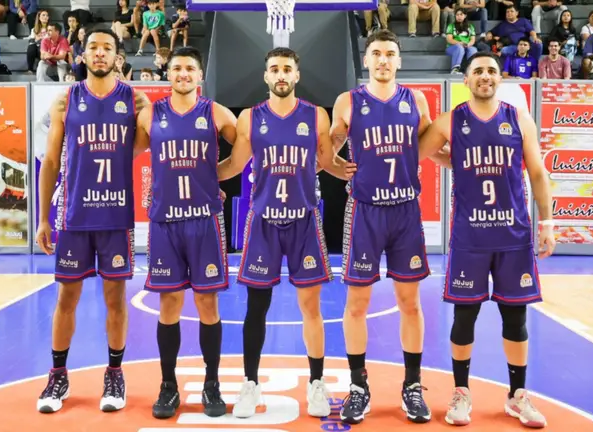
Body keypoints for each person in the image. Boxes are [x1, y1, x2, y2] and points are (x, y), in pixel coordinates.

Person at [217, 47, 356, 419]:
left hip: (303, 221)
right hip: (263, 221)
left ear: (297, 75)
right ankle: (250, 383)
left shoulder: (315, 116)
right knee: (256, 308)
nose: (281, 75)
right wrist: (195, 177)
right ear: (266, 76)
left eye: (287, 69)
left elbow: (329, 162)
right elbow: (234, 165)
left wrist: (364, 170)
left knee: (311, 307)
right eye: (275, 69)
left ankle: (317, 383)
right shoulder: (250, 118)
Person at [418, 51, 556, 428]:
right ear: (466, 80)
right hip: (470, 237)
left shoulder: (518, 118)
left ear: (500, 78)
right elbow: (419, 153)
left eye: (491, 71)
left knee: (516, 317)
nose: (485, 76)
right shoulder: (451, 120)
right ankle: (461, 392)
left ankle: (517, 395)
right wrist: (454, 160)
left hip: (513, 235)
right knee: (465, 316)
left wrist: (547, 222)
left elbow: (538, 173)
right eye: (477, 70)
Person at [329, 29, 449, 425]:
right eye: (377, 53)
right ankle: (358, 386)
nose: (383, 60)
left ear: (399, 60)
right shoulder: (348, 101)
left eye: (390, 54)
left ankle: (412, 385)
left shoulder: (416, 100)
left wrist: (465, 164)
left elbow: (432, 147)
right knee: (356, 305)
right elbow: (327, 147)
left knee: (410, 303)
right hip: (364, 211)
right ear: (366, 60)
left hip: (404, 211)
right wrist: (335, 162)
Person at [34, 28, 151, 414]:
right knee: (66, 297)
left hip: (115, 216)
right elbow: (51, 161)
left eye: (108, 48)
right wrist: (43, 218)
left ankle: (114, 373)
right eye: (94, 48)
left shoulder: (134, 100)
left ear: (118, 57)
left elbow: (148, 143)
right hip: (74, 216)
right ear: (82, 55)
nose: (100, 54)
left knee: (115, 298)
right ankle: (58, 375)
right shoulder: (66, 99)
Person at [138, 46, 238, 420]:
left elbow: (245, 148)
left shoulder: (216, 113)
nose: (183, 73)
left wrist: (215, 176)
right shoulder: (151, 114)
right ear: (169, 73)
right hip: (166, 221)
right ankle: (168, 385)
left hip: (204, 220)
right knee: (169, 305)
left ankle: (212, 383)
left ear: (199, 76)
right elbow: (127, 152)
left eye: (189, 68)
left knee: (208, 304)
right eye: (177, 67)